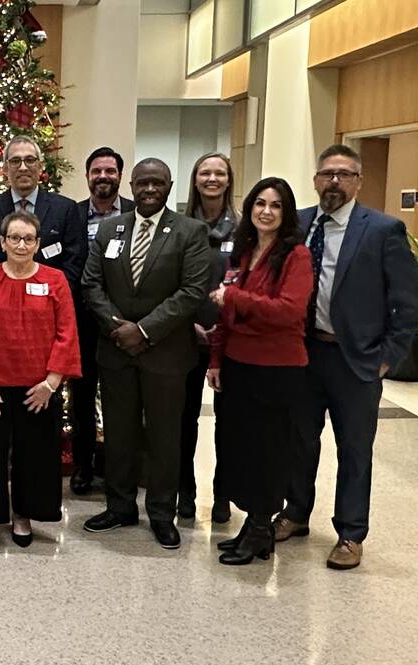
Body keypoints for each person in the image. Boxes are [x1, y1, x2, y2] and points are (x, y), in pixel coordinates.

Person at [276, 144, 418, 571]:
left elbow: (410, 301)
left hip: (354, 360)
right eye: (327, 174)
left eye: (344, 174)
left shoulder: (381, 230)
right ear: (316, 179)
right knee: (299, 441)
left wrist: (388, 357)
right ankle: (295, 513)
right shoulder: (299, 223)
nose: (334, 182)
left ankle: (350, 534)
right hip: (303, 354)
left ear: (358, 181)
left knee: (354, 450)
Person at [80, 158, 212, 550]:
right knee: (119, 434)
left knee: (164, 437)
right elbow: (91, 284)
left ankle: (160, 513)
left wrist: (144, 330)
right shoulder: (109, 228)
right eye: (143, 182)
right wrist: (118, 328)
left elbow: (192, 291)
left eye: (157, 182)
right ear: (131, 185)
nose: (149, 189)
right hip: (116, 350)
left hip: (166, 354)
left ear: (170, 185)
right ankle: (120, 507)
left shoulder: (190, 231)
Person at [204, 177, 313, 565]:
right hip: (238, 363)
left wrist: (235, 297)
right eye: (260, 204)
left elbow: (288, 311)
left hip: (276, 368)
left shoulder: (295, 255)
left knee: (269, 452)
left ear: (286, 214)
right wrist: (215, 359)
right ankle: (252, 527)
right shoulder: (245, 252)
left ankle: (262, 528)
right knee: (241, 449)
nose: (266, 211)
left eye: (276, 205)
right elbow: (226, 315)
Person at [0, 211, 80, 554]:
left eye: (28, 239)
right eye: (13, 238)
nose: (21, 244)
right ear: (2, 242)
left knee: (36, 454)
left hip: (40, 390)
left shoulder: (55, 280)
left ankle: (23, 515)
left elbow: (66, 332)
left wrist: (51, 383)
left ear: (38, 244)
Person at [69, 146, 133, 495]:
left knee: (120, 397)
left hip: (124, 322)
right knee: (81, 397)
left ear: (120, 176)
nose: (103, 177)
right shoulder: (72, 215)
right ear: (88, 176)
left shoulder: (138, 214)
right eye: (97, 171)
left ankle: (117, 468)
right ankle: (82, 464)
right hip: (82, 321)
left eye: (110, 171)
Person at [180, 152, 237, 522]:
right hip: (185, 333)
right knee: (183, 420)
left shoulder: (244, 229)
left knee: (227, 423)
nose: (212, 178)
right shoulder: (180, 226)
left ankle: (222, 496)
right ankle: (185, 492)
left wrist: (223, 327)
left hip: (229, 337)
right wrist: (189, 323)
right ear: (195, 179)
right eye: (205, 172)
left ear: (229, 179)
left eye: (219, 173)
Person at [0, 135, 87, 294]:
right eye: (15, 161)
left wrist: (47, 299)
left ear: (40, 166)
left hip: (49, 307)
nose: (23, 167)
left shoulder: (65, 209)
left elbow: (74, 265)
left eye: (29, 160)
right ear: (5, 169)